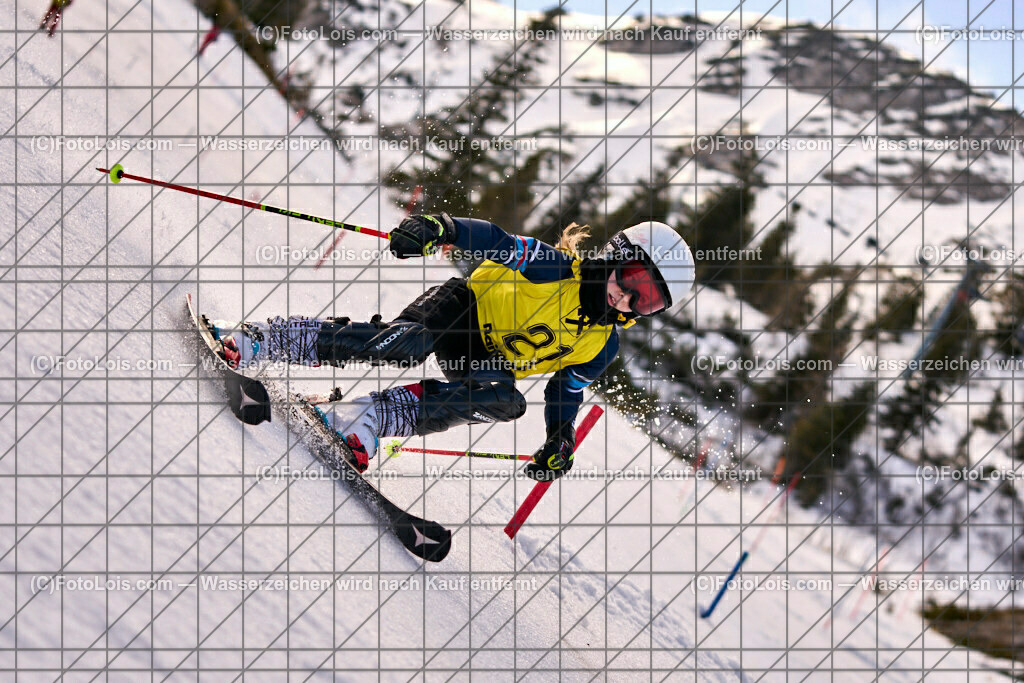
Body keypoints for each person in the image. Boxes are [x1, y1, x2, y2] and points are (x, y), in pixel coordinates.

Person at [212, 215, 694, 481]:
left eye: (646, 300)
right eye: (632, 280)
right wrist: (442, 228)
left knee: (506, 400)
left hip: (484, 359)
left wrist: (560, 438)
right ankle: (264, 339)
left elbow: (563, 392)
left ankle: (366, 420)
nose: (626, 298)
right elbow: (496, 238)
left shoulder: (601, 346)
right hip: (461, 309)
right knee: (404, 345)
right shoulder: (554, 269)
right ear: (616, 256)